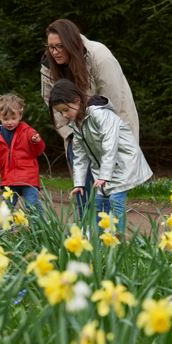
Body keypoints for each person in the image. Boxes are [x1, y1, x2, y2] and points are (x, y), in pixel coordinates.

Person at [40, 18, 140, 216]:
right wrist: (70, 134)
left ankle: (112, 242)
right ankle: (85, 240)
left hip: (111, 128)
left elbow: (112, 100)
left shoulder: (99, 56)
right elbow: (53, 102)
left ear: (71, 42)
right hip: (76, 133)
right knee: (83, 196)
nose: (55, 52)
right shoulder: (48, 64)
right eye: (51, 47)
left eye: (60, 46)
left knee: (109, 197)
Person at [48, 78, 151, 236]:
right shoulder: (76, 124)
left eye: (65, 110)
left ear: (77, 101)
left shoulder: (100, 114)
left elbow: (110, 145)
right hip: (103, 169)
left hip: (122, 164)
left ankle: (118, 241)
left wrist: (105, 175)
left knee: (116, 201)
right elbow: (80, 157)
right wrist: (79, 183)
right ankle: (98, 241)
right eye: (60, 112)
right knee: (97, 203)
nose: (64, 115)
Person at [0, 93, 46, 213]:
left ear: (20, 115)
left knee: (31, 204)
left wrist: (36, 142)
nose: (10, 122)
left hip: (28, 178)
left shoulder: (28, 132)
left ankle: (39, 229)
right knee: (6, 208)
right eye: (5, 119)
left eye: (13, 118)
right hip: (9, 178)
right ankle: (6, 230)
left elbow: (38, 151)